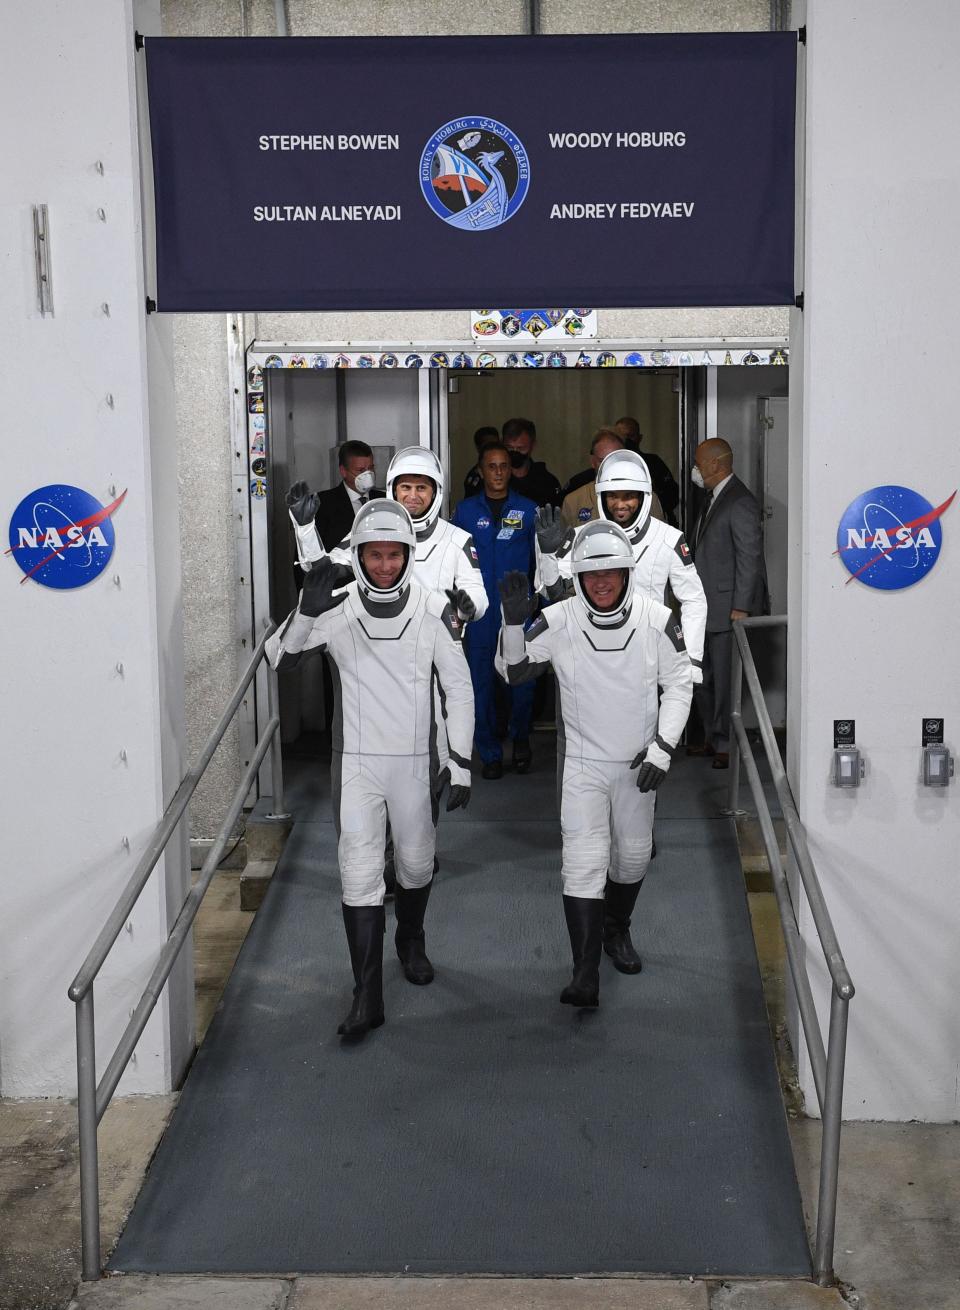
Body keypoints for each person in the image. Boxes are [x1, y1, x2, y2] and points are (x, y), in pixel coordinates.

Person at [266, 501, 474, 1039]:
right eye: (374, 555)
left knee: (416, 864)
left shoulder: (432, 609)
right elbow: (280, 661)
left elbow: (460, 687)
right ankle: (367, 994)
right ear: (357, 555)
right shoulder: (334, 608)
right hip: (355, 765)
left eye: (393, 554)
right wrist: (306, 611)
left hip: (415, 764)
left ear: (408, 555)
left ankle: (411, 936)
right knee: (358, 874)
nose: (384, 566)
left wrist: (462, 760)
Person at [495, 521, 693, 1008]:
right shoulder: (559, 619)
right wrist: (514, 624)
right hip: (583, 766)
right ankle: (584, 973)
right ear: (579, 578)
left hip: (638, 765)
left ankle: (616, 929)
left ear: (627, 572)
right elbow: (513, 672)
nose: (602, 583)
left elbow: (681, 683)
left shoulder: (657, 618)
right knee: (583, 865)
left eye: (612, 574)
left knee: (631, 857)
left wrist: (664, 748)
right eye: (591, 576)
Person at [535, 449, 707, 689]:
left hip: (649, 659)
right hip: (592, 656)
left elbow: (694, 600)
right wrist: (548, 555)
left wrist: (692, 659)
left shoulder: (668, 538)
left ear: (643, 496)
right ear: (601, 497)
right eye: (612, 496)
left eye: (629, 496)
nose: (620, 504)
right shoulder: (582, 536)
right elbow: (553, 593)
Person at [452, 441, 538, 780]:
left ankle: (520, 740)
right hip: (479, 612)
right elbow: (453, 560)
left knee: (522, 680)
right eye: (492, 466)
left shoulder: (528, 510)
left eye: (504, 465)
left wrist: (539, 603)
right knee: (479, 683)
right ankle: (488, 752)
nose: (499, 472)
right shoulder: (465, 511)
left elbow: (543, 563)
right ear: (480, 470)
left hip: (517, 609)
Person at [688, 438, 768, 770]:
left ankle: (725, 744)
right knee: (704, 678)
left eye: (698, 463)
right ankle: (712, 736)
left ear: (716, 464)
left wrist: (742, 607)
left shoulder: (740, 501)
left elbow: (750, 558)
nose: (695, 470)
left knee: (724, 680)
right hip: (705, 609)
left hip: (727, 610)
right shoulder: (713, 500)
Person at [560, 427, 665, 529]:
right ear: (592, 461)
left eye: (614, 459)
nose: (608, 466)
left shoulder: (648, 498)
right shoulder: (574, 501)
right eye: (602, 461)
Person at [293, 440, 382, 558]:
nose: (368, 474)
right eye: (360, 470)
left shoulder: (384, 500)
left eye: (371, 468)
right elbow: (306, 554)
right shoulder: (320, 504)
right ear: (343, 471)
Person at [613, 417, 680, 527]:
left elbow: (672, 495)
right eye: (622, 437)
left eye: (630, 436)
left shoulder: (653, 463)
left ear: (639, 438)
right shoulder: (609, 465)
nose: (626, 441)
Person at [501, 417, 562, 508]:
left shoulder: (547, 482)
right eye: (509, 447)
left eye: (521, 448)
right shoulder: (495, 478)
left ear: (532, 445)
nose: (515, 452)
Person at [463, 425, 500, 500]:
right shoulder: (474, 477)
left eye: (495, 444)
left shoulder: (506, 469)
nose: (492, 449)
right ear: (478, 448)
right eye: (488, 446)